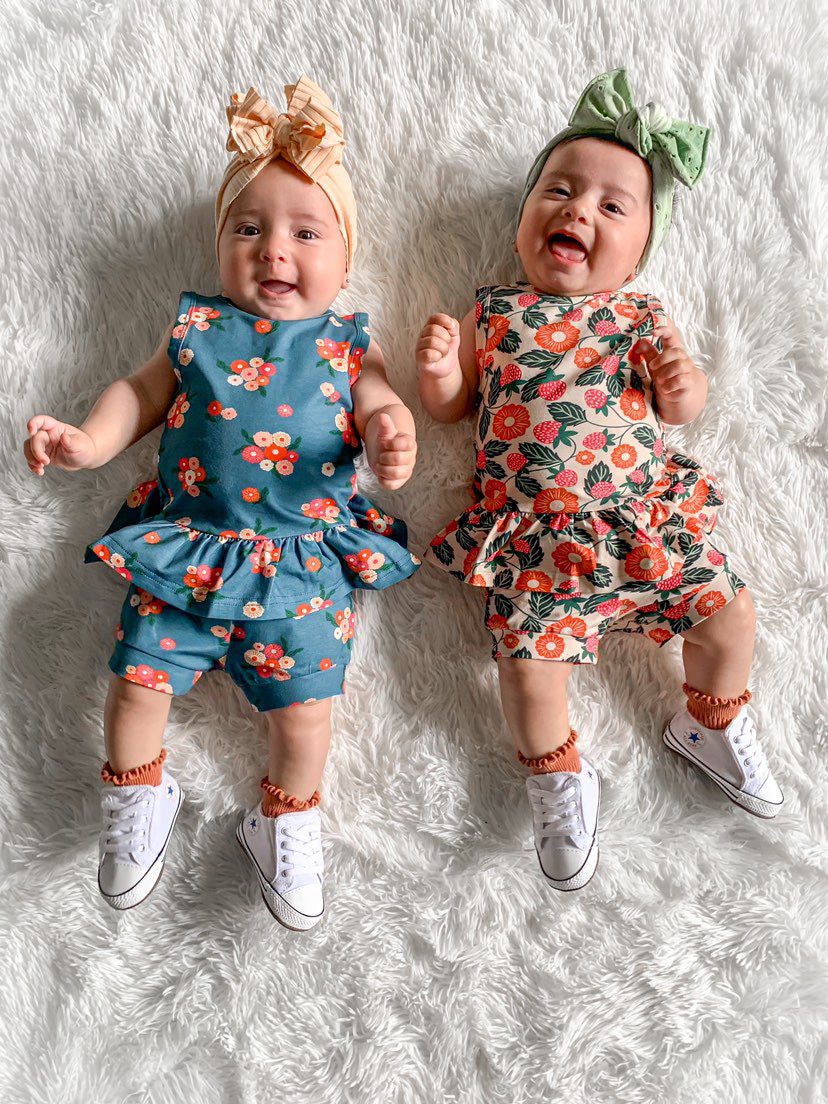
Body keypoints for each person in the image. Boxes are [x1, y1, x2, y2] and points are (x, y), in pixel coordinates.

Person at [24, 76, 419, 929]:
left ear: (343, 260)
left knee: (307, 713)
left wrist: (392, 433)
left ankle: (286, 819)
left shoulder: (351, 345)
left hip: (301, 565)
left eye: (305, 233)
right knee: (136, 682)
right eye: (249, 228)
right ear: (221, 246)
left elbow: (384, 403)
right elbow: (137, 393)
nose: (274, 250)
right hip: (188, 551)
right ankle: (137, 799)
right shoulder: (196, 329)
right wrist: (90, 441)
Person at [417, 69, 782, 893]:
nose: (579, 210)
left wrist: (684, 384)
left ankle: (709, 719)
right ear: (523, 221)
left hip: (639, 524)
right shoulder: (495, 312)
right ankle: (556, 776)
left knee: (730, 617)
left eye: (613, 207)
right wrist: (441, 370)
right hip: (536, 543)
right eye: (559, 191)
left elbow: (680, 405)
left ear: (640, 247)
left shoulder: (640, 315)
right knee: (525, 670)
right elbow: (450, 410)